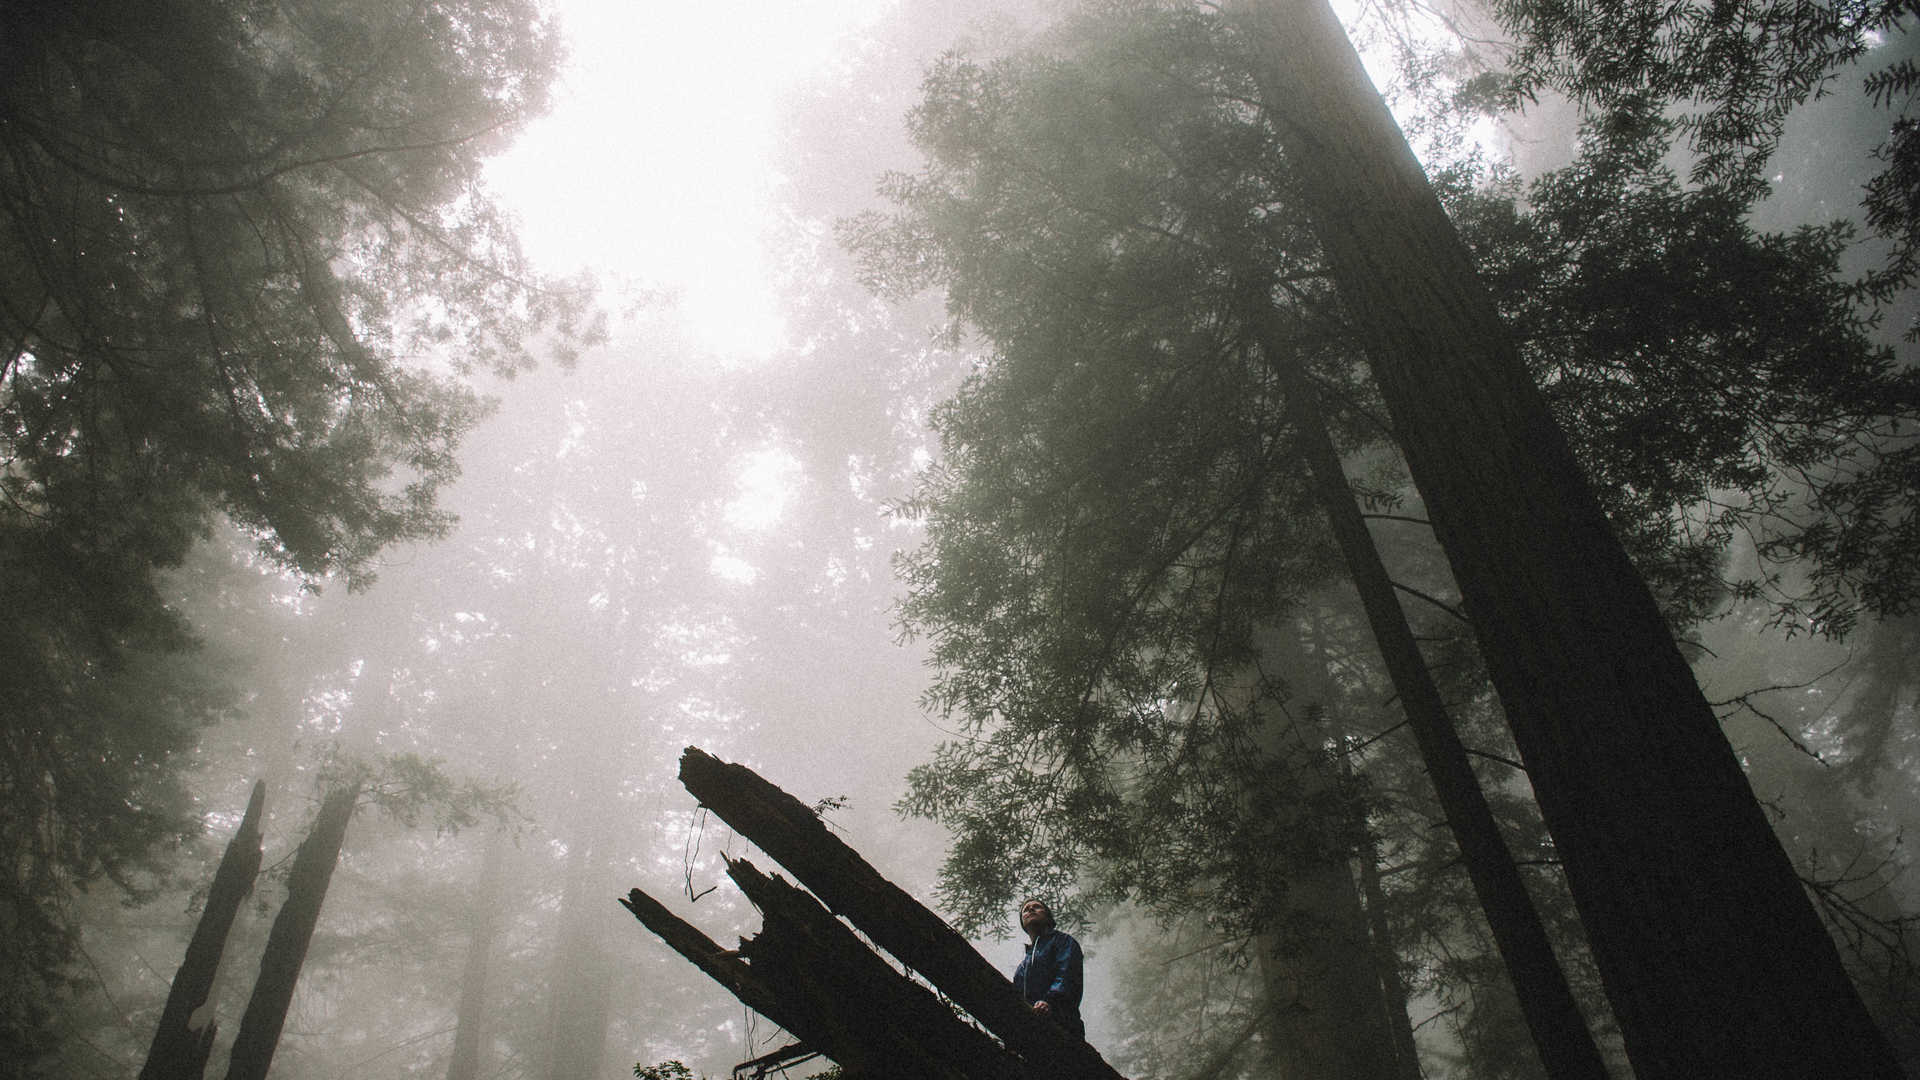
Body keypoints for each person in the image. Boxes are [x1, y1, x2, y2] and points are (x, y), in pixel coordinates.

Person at [1013, 897, 1085, 1039]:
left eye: (1037, 907)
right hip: (1032, 1033)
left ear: (1048, 917)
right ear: (1023, 923)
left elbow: (1068, 974)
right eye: (1025, 910)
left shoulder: (1063, 941)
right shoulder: (1022, 967)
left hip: (1064, 1023)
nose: (1031, 909)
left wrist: (1050, 1002)